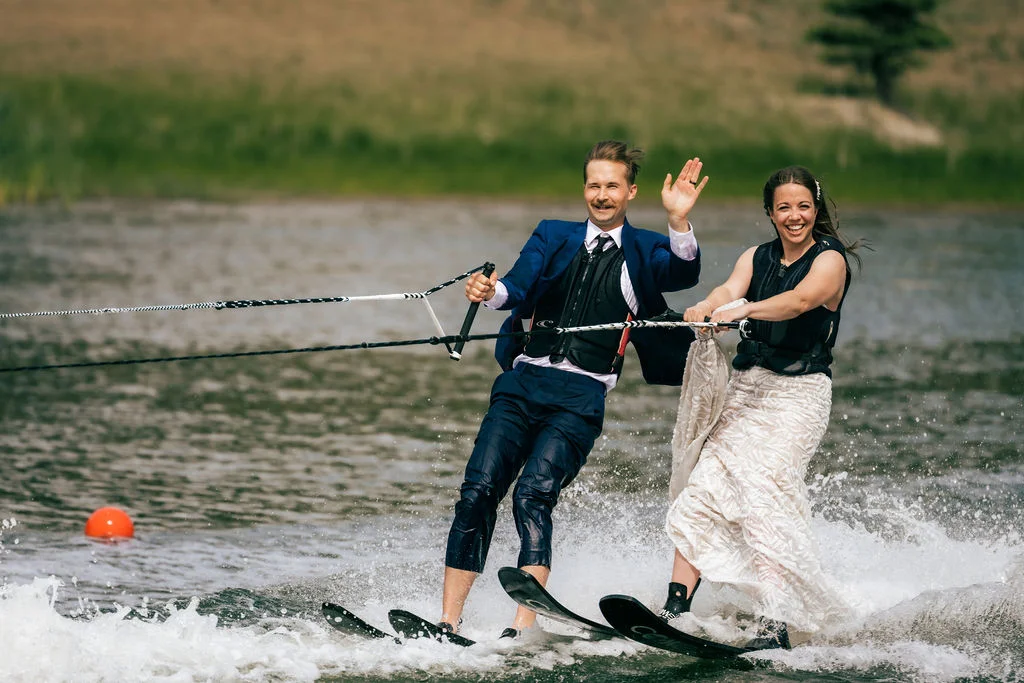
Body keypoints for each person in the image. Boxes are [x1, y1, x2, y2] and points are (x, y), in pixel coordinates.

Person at [440, 140, 706, 639]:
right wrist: (487, 291)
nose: (601, 195)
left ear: (630, 191)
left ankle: (520, 628)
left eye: (611, 186)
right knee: (476, 493)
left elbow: (684, 272)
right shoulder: (553, 235)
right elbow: (514, 288)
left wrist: (678, 221)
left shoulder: (648, 248)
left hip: (580, 398)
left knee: (532, 497)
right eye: (593, 185)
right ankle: (447, 622)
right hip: (522, 384)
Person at [659, 165, 864, 649]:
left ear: (815, 209)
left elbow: (799, 301)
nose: (795, 216)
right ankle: (674, 608)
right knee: (704, 487)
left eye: (803, 207)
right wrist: (707, 308)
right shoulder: (756, 256)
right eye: (784, 208)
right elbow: (727, 292)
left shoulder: (830, 261)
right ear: (770, 213)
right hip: (748, 389)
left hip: (799, 394)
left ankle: (778, 622)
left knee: (765, 495)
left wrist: (747, 309)